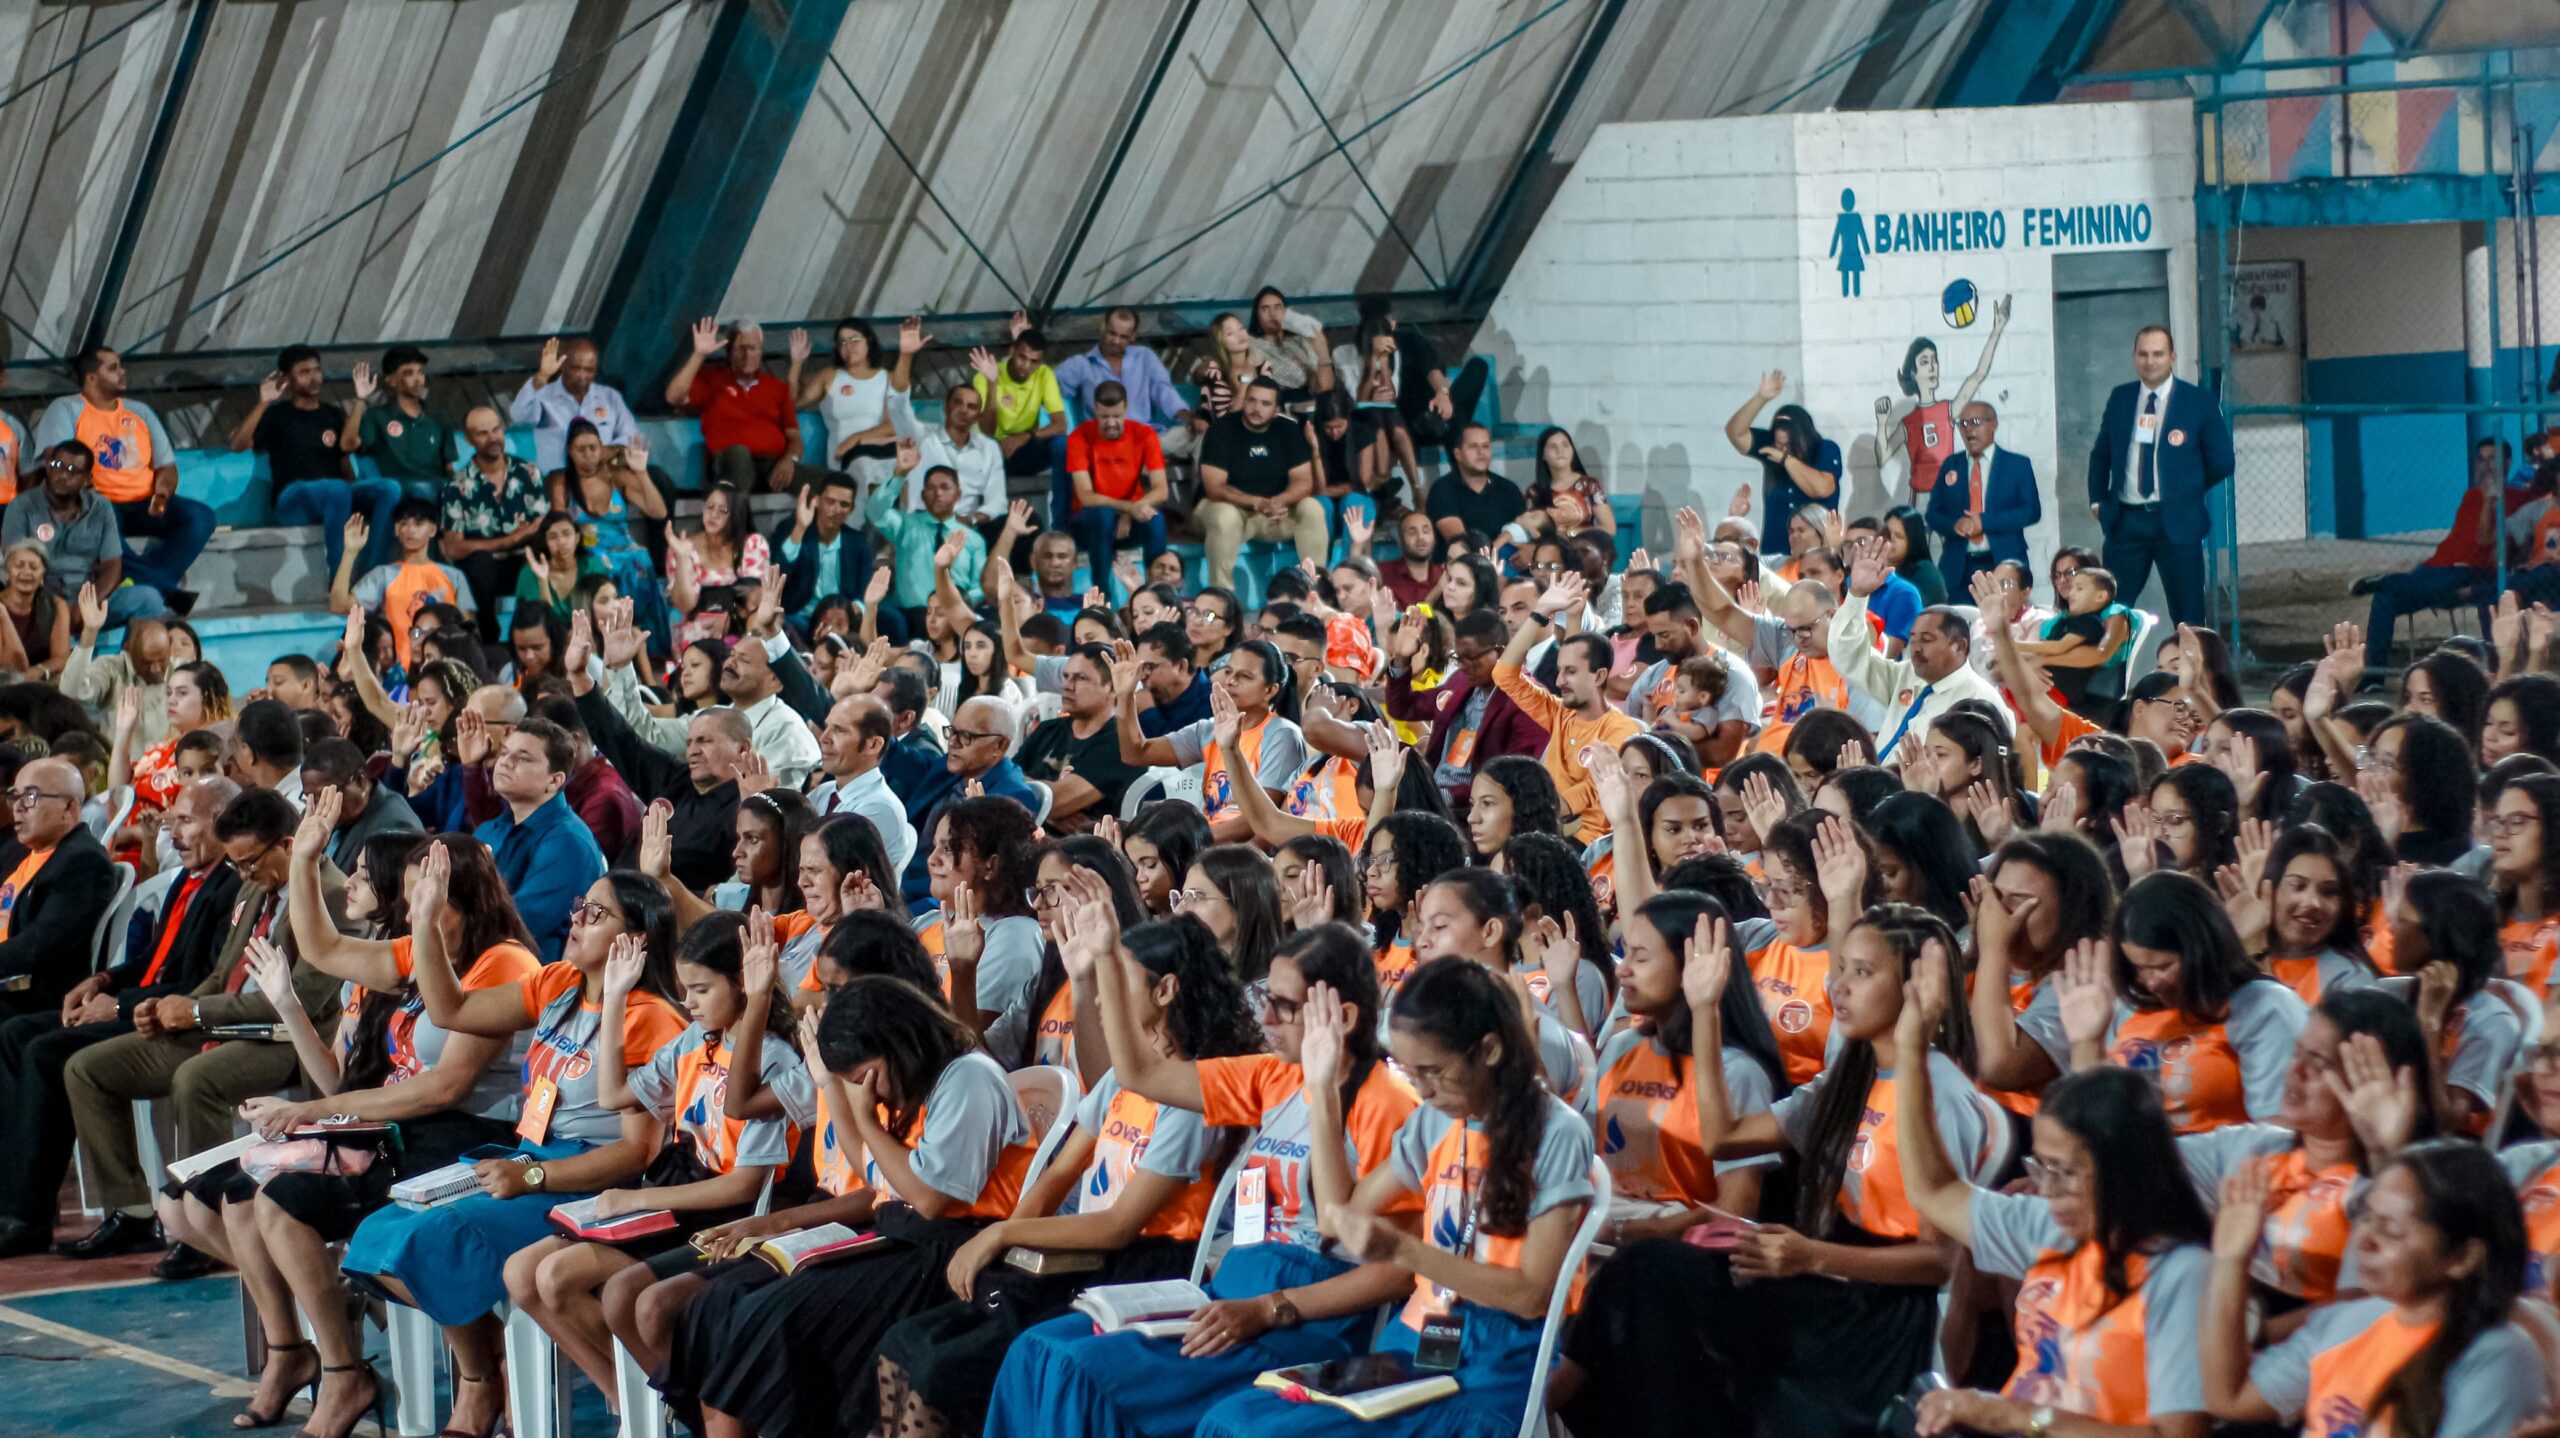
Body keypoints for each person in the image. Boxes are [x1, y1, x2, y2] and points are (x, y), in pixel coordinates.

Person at [983, 918, 1416, 1438]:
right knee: (1038, 1351)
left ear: (1341, 1016)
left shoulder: (1386, 1104)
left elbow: (1397, 1273)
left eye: (1284, 1005)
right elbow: (1141, 1074)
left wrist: (1270, 1309)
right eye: (1266, 998)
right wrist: (1107, 960)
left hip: (1309, 1318)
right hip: (1233, 1287)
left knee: (1083, 1373)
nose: (1266, 1016)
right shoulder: (1273, 1075)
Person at [337, 846, 685, 1438]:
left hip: (591, 1177)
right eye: (579, 907)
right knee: (381, 1230)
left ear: (636, 939)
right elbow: (450, 1009)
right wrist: (426, 921)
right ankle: (567, 1379)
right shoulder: (558, 982)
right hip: (530, 1156)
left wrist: (534, 1177)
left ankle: (634, 1398)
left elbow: (637, 1153)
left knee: (427, 1239)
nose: (577, 920)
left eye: (596, 914)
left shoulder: (648, 1017)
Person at [870, 910, 1256, 1437]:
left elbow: (1119, 1225)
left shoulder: (1192, 1099)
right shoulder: (1122, 1078)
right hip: (1077, 1252)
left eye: (1118, 979)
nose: (1097, 998)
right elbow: (1060, 1173)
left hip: (1139, 1265)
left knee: (943, 1367)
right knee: (905, 1341)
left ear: (1165, 990)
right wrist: (1005, 1246)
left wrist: (1002, 1234)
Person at [1187, 955, 1592, 1438]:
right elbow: (1337, 1218)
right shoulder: (1434, 1119)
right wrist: (1324, 1090)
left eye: (1432, 1071)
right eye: (1409, 1071)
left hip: (1499, 1357)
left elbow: (1528, 1296)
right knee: (1233, 1420)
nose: (1421, 1089)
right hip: (1416, 1340)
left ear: (1488, 1050)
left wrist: (1404, 1250)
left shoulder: (1557, 1132)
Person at [653, 974, 1033, 1438]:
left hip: (944, 1251)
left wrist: (865, 1117)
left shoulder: (968, 1078)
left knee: (777, 1326)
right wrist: (834, 1089)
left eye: (862, 1077)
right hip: (899, 1236)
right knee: (743, 1321)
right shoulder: (907, 1080)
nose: (865, 1090)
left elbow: (930, 1199)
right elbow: (870, 1170)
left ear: (897, 1044)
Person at [508, 915, 799, 1408]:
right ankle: (629, 1401)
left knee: (559, 1277)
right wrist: (616, 997)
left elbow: (743, 1187)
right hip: (678, 1193)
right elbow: (613, 1096)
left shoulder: (774, 1060)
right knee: (521, 1272)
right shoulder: (695, 1040)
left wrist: (637, 1199)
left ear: (743, 983)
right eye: (685, 989)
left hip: (721, 1213)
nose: (688, 1002)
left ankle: (665, 1404)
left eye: (701, 990)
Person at [53, 789, 346, 1259]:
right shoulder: (255, 886)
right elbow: (222, 973)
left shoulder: (331, 893)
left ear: (288, 845)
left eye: (250, 862)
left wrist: (194, 1013)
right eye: (236, 865)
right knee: (87, 1069)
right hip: (224, 1024)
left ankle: (206, 1216)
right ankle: (131, 1213)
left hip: (290, 1039)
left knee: (197, 1079)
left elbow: (303, 1000)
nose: (243, 874)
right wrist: (171, 1006)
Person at [0, 776, 238, 1259]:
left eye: (185, 821)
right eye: (172, 821)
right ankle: (19, 1203)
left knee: (50, 1053)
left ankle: (48, 1214)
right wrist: (104, 979)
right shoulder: (190, 879)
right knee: (16, 1033)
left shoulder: (230, 885)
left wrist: (120, 1004)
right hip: (140, 1002)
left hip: (172, 1017)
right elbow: (155, 958)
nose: (172, 834)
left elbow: (201, 982)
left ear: (221, 822)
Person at [2203, 1141, 2542, 1438]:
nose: (2364, 1241)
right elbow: (2230, 1398)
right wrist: (2230, 1262)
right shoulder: (2346, 1322)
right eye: (2366, 1217)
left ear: (2462, 1257)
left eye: (2391, 1231)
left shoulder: (2499, 1356)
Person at [2072, 871, 2309, 1135]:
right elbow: (2092, 1126)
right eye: (2138, 968)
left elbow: (2279, 1133)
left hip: (2218, 1160)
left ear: (2202, 950)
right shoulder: (2129, 1010)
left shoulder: (2262, 1006)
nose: (2150, 982)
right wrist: (2086, 1043)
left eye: (2162, 967)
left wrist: (2170, 1156)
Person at [33, 345, 213, 611]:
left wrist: (162, 494)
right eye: (113, 368)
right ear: (92, 378)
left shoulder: (140, 411)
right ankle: (164, 589)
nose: (122, 372)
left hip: (144, 503)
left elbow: (166, 466)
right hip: (95, 502)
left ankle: (147, 582)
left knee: (200, 517)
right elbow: (54, 459)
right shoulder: (66, 408)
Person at [2086, 325, 2234, 627]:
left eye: (2158, 354)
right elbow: (2101, 455)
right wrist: (2098, 501)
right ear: (2134, 357)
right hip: (2126, 522)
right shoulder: (2121, 398)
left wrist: (2185, 489)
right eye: (2143, 354)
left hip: (2178, 523)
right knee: (2112, 614)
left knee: (2189, 617)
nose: (2150, 361)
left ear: (2172, 357)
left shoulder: (2198, 402)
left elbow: (2222, 462)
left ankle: (2188, 660)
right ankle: (2116, 661)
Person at [1491, 573, 1641, 841]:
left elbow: (1592, 788)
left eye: (1570, 672)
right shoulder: (1559, 712)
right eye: (1559, 671)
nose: (1559, 681)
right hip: (1548, 831)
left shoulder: (1622, 729)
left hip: (1590, 842)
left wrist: (1534, 810)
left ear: (1599, 676)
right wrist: (1540, 612)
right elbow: (1504, 675)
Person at [1829, 533, 2002, 761]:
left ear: (1959, 647)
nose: (1916, 647)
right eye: (1913, 639)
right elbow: (1848, 657)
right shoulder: (1904, 675)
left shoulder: (1979, 699)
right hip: (1880, 777)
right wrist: (1857, 595)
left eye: (1927, 639)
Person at [233, 344, 394, 575]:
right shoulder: (277, 415)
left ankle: (374, 571)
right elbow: (237, 444)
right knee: (337, 488)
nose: (314, 377)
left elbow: (344, 460)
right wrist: (264, 402)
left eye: (317, 370)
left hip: (335, 496)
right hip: (292, 500)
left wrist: (361, 399)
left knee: (388, 489)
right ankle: (339, 576)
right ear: (287, 379)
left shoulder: (332, 414)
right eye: (304, 372)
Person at [468, 721, 607, 963]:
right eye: (504, 752)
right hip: (483, 963)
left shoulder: (569, 843)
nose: (506, 762)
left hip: (530, 976)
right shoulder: (490, 829)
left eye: (523, 758)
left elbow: (516, 925)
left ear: (554, 781)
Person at [2, 441, 168, 628]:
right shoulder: (22, 506)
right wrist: (59, 609)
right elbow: (16, 565)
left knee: (149, 599)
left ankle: (128, 649)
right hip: (37, 599)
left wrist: (87, 605)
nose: (63, 475)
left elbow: (112, 565)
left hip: (88, 597)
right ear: (48, 467)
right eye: (57, 465)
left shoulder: (101, 508)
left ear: (87, 479)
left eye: (73, 470)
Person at [1198, 377, 1326, 593]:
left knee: (1312, 508)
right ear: (1244, 401)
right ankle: (1222, 596)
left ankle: (1316, 591)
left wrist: (1278, 502)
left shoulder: (1289, 430)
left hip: (1274, 515)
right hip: (1230, 511)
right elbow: (1215, 488)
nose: (1256, 409)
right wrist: (1258, 503)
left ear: (1276, 410)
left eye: (1265, 404)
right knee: (1224, 516)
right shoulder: (1221, 430)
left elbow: (1304, 482)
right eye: (1252, 401)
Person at [440, 405, 548, 644]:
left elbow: (542, 526)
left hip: (525, 559)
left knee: (543, 556)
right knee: (477, 565)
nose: (492, 438)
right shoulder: (457, 485)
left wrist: (523, 540)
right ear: (469, 439)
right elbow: (453, 547)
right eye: (482, 433)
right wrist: (511, 540)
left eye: (496, 429)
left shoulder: (529, 473)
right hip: (486, 568)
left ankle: (539, 634)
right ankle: (489, 643)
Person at [1016, 643, 1144, 831]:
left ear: (1113, 687)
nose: (1067, 686)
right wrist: (1046, 814)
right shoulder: (1047, 729)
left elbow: (1055, 801)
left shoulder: (1119, 743)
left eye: (1080, 678)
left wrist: (1026, 791)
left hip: (1079, 846)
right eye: (1066, 677)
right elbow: (1000, 781)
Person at [1064, 381, 1170, 600]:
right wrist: (1128, 508)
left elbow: (1161, 490)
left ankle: (1157, 594)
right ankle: (1102, 596)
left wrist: (1129, 512)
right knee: (1102, 516)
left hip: (1127, 522)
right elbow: (1086, 496)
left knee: (1156, 520)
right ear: (1095, 409)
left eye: (1117, 416)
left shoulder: (1144, 434)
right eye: (1104, 417)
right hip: (1090, 523)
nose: (1111, 423)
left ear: (1126, 409)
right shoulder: (1079, 437)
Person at [668, 318, 799, 494]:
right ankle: (737, 511)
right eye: (741, 348)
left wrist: (790, 459)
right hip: (727, 463)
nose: (747, 355)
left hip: (772, 465)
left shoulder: (778, 387)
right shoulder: (711, 380)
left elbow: (794, 437)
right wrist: (699, 355)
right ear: (729, 351)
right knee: (739, 454)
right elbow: (674, 397)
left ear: (761, 351)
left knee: (828, 483)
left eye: (753, 348)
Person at [1923, 401, 2039, 598]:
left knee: (2006, 615)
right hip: (1959, 567)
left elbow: (2031, 511)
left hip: (2003, 561)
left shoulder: (2017, 465)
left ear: (1993, 424)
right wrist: (1954, 525)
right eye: (1963, 423)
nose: (1968, 429)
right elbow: (1933, 514)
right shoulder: (1952, 464)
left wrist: (1984, 522)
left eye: (1975, 422)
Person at [1723, 371, 1841, 553]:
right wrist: (1761, 398)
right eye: (1779, 444)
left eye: (1789, 445)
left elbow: (1822, 488)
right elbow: (1735, 433)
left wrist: (1786, 459)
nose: (1783, 449)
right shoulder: (1771, 449)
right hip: (1775, 553)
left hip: (1816, 553)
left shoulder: (1824, 449)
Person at [868, 458, 987, 639]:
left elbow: (979, 587)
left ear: (958, 494)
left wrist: (954, 604)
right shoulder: (905, 526)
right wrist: (900, 473)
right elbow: (875, 511)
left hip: (954, 615)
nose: (937, 493)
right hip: (913, 615)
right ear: (923, 495)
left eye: (944, 487)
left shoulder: (973, 539)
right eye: (931, 488)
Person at [808, 693, 917, 871]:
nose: (824, 738)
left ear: (873, 745)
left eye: (839, 730)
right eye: (827, 727)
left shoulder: (880, 808)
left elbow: (827, 870)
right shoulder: (824, 792)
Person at [967, 314, 1071, 489]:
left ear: (1041, 362)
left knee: (1064, 444)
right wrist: (992, 383)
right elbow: (987, 430)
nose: (1026, 366)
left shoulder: (1044, 374)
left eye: (1034, 361)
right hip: (993, 448)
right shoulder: (986, 374)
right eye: (1022, 357)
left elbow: (1061, 425)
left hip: (1024, 446)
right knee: (987, 448)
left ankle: (1063, 504)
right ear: (1012, 351)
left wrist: (1026, 436)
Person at [792, 317, 897, 487]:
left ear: (868, 342)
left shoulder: (888, 378)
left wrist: (855, 439)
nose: (848, 346)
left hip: (881, 455)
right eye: (842, 342)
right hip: (845, 464)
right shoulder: (829, 376)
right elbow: (793, 403)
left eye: (854, 339)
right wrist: (796, 363)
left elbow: (893, 425)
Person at [513, 336, 641, 476]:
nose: (581, 376)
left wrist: (602, 452)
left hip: (602, 481)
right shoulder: (543, 396)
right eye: (575, 368)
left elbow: (632, 439)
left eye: (588, 370)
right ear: (563, 366)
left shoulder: (610, 397)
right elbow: (517, 415)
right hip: (556, 482)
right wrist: (542, 377)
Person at [343, 343, 453, 497]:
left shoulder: (437, 418)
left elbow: (449, 467)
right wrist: (361, 399)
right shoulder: (378, 416)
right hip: (399, 494)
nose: (417, 379)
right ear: (391, 381)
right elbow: (347, 444)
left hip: (437, 491)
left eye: (420, 372)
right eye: (408, 373)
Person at [1424, 423, 1528, 546]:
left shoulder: (1508, 489)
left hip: (1507, 556)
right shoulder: (1442, 489)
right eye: (1473, 446)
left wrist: (1529, 548)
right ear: (1458, 454)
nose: (1481, 452)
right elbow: (1458, 539)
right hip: (1464, 556)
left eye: (1485, 446)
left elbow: (1525, 528)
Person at [0, 539, 69, 678]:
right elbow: (9, 662)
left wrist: (40, 670)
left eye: (34, 567)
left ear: (43, 573)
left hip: (41, 681)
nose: (27, 572)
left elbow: (61, 658)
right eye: (19, 566)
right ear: (7, 572)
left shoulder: (56, 605)